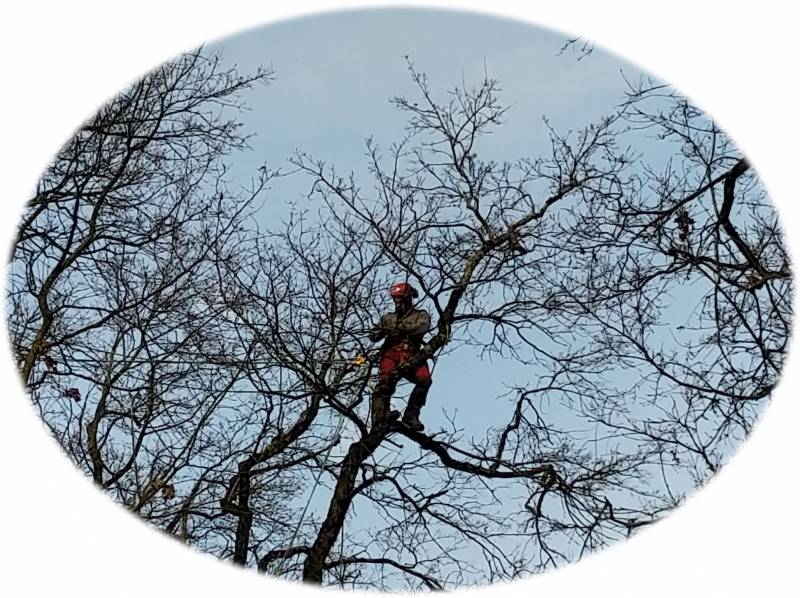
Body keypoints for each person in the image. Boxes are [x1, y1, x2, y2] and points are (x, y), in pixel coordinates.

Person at [368, 282, 432, 431]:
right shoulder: (389, 318)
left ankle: (411, 415)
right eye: (395, 299)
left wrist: (401, 328)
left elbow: (423, 327)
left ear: (409, 298)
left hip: (412, 354)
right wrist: (381, 330)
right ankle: (383, 414)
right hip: (391, 353)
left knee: (424, 379)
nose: (398, 303)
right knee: (385, 381)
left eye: (401, 299)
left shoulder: (420, 315)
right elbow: (374, 335)